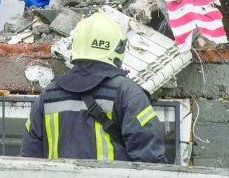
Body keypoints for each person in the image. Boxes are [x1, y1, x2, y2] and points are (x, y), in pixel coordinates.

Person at [21, 12, 167, 163]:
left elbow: (29, 160)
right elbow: (151, 161)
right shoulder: (128, 93)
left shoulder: (48, 96)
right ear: (117, 48)